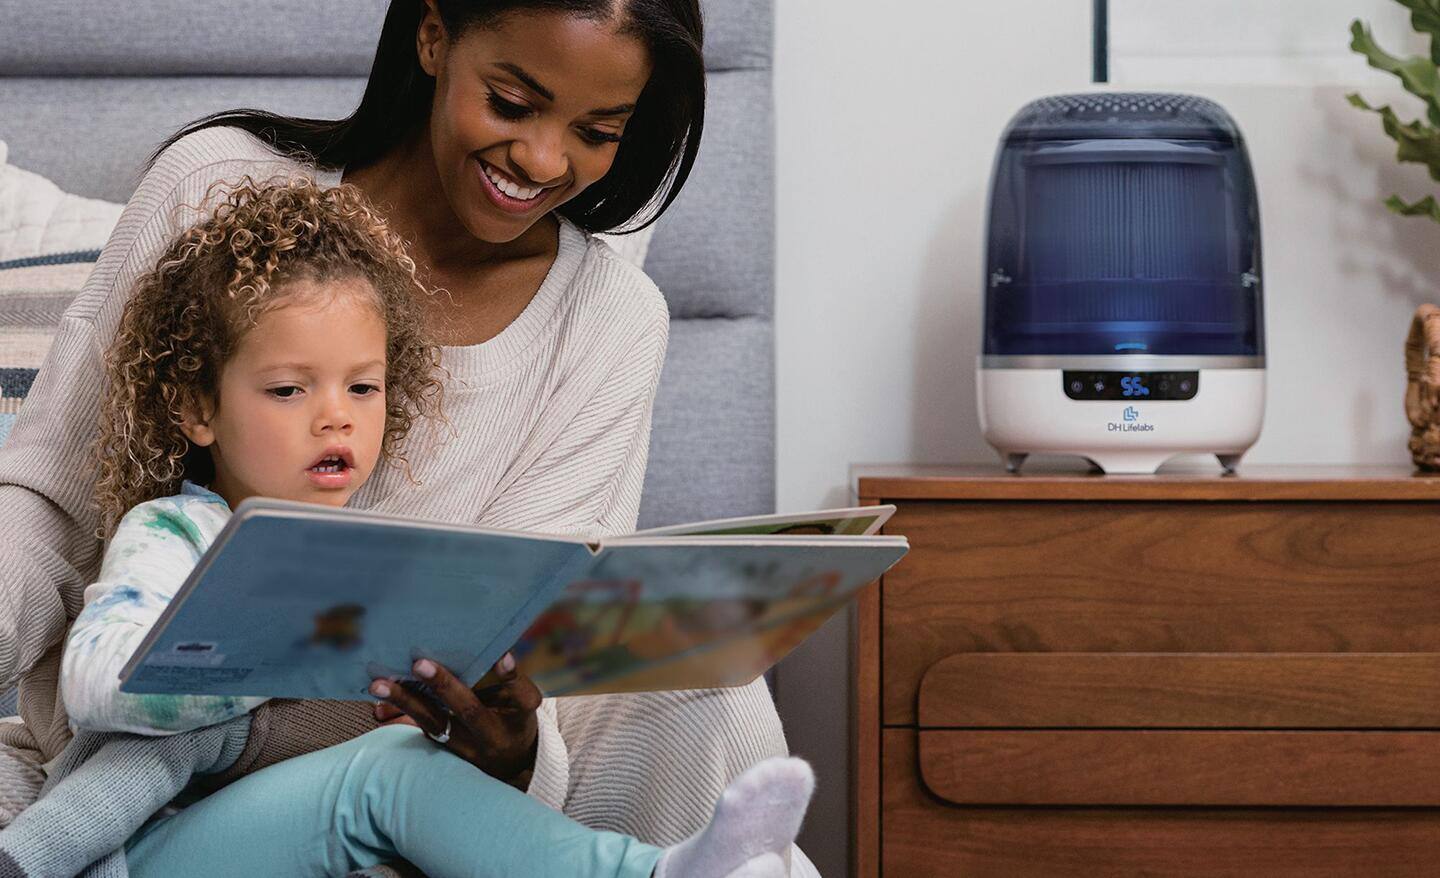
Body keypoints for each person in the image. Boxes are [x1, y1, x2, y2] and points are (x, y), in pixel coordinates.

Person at [0, 0, 805, 869]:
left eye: (598, 130)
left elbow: (534, 638)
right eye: (511, 102)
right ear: (433, 37)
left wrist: (511, 743)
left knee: (713, 687)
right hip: (169, 758)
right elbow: (48, 504)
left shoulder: (612, 319)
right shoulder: (211, 187)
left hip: (427, 768)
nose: (542, 160)